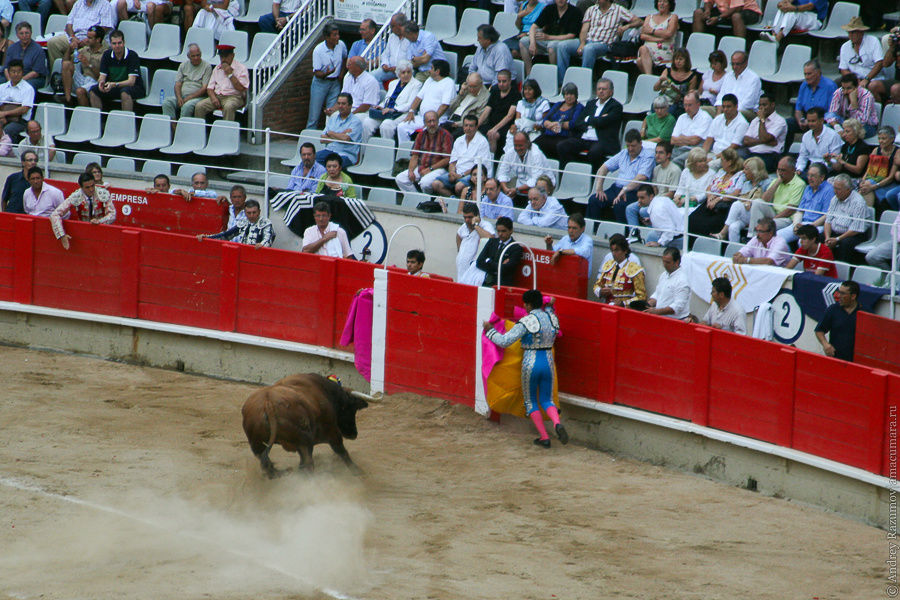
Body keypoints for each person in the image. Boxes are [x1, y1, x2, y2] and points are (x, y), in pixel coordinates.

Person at [483, 290, 568, 449]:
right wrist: (549, 303)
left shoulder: (527, 321)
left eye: (525, 303)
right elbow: (551, 306)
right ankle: (557, 423)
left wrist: (490, 331)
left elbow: (504, 341)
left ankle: (544, 437)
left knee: (530, 401)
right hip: (548, 362)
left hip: (531, 362)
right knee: (547, 399)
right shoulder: (552, 318)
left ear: (528, 305)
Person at [556, 0, 640, 83]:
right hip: (588, 40)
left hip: (604, 44)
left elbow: (639, 21)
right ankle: (562, 82)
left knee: (589, 49)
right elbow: (584, 29)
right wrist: (582, 43)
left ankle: (582, 83)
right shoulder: (591, 9)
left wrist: (627, 26)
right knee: (563, 45)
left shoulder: (619, 10)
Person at [588, 128, 655, 224]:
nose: (630, 149)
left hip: (634, 191)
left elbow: (641, 177)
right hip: (616, 188)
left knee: (620, 205)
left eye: (633, 146)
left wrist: (625, 189)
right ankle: (593, 230)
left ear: (640, 143)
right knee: (595, 199)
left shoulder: (648, 156)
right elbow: (603, 168)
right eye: (628, 146)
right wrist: (599, 188)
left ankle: (623, 235)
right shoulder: (624, 153)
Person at [557, 77, 623, 169]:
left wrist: (588, 119)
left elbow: (603, 122)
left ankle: (593, 180)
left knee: (594, 153)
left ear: (611, 92)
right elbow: (578, 123)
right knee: (562, 146)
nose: (601, 91)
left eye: (604, 89)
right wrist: (596, 120)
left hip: (601, 140)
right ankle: (570, 172)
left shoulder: (616, 106)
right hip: (584, 138)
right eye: (599, 89)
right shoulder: (591, 104)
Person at [687, 147, 746, 238]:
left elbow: (736, 193)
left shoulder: (740, 175)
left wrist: (719, 198)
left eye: (722, 160)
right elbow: (709, 187)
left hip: (725, 205)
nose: (720, 162)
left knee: (708, 224)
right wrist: (710, 196)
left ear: (729, 162)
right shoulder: (720, 172)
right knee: (692, 219)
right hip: (711, 201)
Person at [49, 171, 116, 250]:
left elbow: (112, 214)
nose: (91, 189)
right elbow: (55, 215)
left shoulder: (103, 193)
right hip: (83, 234)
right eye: (87, 187)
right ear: (81, 187)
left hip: (102, 232)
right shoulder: (76, 196)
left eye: (92, 186)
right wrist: (61, 235)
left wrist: (100, 221)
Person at [394, 59, 455, 142]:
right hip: (422, 117)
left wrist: (433, 120)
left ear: (437, 71)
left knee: (426, 132)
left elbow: (445, 105)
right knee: (402, 126)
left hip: (438, 120)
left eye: (431, 68)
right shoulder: (429, 80)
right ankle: (406, 152)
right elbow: (418, 97)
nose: (429, 70)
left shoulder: (449, 83)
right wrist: (411, 111)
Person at [432, 115, 491, 199]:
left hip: (473, 174)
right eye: (466, 125)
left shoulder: (482, 141)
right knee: (436, 184)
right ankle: (453, 200)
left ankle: (461, 204)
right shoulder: (459, 140)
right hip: (457, 173)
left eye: (471, 126)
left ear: (476, 127)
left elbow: (477, 167)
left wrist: (461, 175)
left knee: (459, 186)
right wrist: (452, 173)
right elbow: (452, 162)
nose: (468, 128)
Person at [519, 0, 582, 79]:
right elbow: (533, 27)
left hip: (563, 41)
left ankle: (554, 78)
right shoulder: (549, 9)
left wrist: (548, 37)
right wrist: (532, 43)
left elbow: (571, 35)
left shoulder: (575, 11)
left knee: (552, 46)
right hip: (546, 40)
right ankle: (529, 75)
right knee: (523, 41)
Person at [395, 110, 453, 194]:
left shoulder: (445, 135)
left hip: (439, 169)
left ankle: (427, 201)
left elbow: (447, 159)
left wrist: (430, 169)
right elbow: (415, 156)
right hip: (422, 167)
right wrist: (410, 171)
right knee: (401, 178)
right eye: (429, 121)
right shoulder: (421, 135)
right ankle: (417, 200)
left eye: (434, 121)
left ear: (438, 121)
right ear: (425, 123)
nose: (432, 124)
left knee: (425, 183)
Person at [715, 156, 770, 242]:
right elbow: (742, 200)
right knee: (733, 227)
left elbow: (766, 202)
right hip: (746, 214)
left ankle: (722, 233)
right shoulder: (746, 184)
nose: (743, 171)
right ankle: (736, 253)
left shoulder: (767, 183)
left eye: (746, 169)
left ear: (754, 171)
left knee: (736, 204)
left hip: (759, 216)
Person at [87, 30, 144, 113]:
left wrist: (114, 84)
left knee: (125, 92)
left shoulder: (132, 55)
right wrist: (101, 84)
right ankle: (99, 120)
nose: (117, 46)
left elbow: (131, 82)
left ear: (124, 43)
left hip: (134, 88)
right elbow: (102, 77)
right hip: (114, 86)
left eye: (119, 43)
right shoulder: (106, 55)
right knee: (93, 91)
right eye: (114, 43)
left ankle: (126, 122)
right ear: (110, 44)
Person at [46, 0, 115, 67]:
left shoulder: (105, 4)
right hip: (75, 36)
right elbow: (69, 25)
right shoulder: (78, 3)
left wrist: (88, 39)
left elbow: (104, 28)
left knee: (80, 52)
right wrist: (73, 37)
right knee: (53, 43)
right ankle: (59, 73)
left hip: (94, 38)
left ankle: (74, 74)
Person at [776, 162, 832, 243]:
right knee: (778, 237)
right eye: (808, 175)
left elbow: (827, 216)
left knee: (802, 242)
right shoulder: (807, 188)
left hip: (817, 225)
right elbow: (800, 211)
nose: (809, 178)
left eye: (813, 176)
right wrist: (796, 225)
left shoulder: (829, 190)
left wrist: (810, 227)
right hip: (802, 223)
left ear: (822, 177)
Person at [787, 59, 838, 146]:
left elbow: (832, 113)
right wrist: (800, 121)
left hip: (823, 121)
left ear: (818, 72)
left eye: (809, 74)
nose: (807, 77)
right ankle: (785, 153)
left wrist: (813, 121)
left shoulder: (830, 86)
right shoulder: (804, 85)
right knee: (787, 124)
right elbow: (798, 109)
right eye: (805, 74)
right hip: (807, 119)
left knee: (828, 128)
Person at [496, 131, 555, 203]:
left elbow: (535, 180)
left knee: (537, 189)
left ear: (528, 143)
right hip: (521, 184)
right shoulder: (510, 152)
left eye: (520, 145)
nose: (517, 148)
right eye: (515, 145)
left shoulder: (536, 154)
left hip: (543, 184)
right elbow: (502, 173)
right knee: (496, 187)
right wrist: (505, 189)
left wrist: (517, 190)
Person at [369, 61, 422, 141]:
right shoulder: (393, 83)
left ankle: (388, 151)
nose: (406, 75)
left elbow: (410, 104)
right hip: (386, 112)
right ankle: (364, 151)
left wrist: (394, 109)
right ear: (398, 74)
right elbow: (387, 100)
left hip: (403, 113)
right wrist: (380, 106)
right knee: (367, 122)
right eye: (403, 72)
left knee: (386, 125)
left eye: (409, 72)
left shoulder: (416, 84)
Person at [749, 155, 803, 232]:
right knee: (757, 202)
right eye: (779, 170)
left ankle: (759, 235)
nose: (780, 173)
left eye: (783, 170)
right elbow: (764, 200)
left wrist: (771, 220)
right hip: (773, 213)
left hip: (786, 219)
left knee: (766, 224)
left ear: (793, 170)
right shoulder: (777, 181)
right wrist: (778, 182)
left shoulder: (799, 184)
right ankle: (753, 236)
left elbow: (790, 210)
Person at [194, 44, 248, 122]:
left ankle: (226, 132)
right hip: (218, 96)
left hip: (234, 97)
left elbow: (241, 88)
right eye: (221, 57)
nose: (223, 59)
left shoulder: (241, 68)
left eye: (226, 56)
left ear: (232, 56)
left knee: (229, 107)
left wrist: (230, 74)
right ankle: (199, 131)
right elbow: (210, 88)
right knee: (199, 106)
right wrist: (213, 98)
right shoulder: (217, 68)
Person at [838, 17, 886, 103]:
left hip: (873, 78)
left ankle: (877, 110)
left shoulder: (873, 41)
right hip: (854, 78)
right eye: (849, 33)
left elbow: (879, 63)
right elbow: (843, 69)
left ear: (861, 32)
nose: (850, 35)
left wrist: (867, 79)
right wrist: (854, 79)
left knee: (872, 86)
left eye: (853, 32)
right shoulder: (845, 46)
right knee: (838, 83)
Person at [307, 24, 346, 129]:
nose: (338, 37)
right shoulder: (318, 50)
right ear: (327, 37)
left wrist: (341, 74)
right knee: (314, 115)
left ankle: (329, 137)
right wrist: (327, 73)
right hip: (320, 83)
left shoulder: (341, 45)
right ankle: (309, 140)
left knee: (332, 113)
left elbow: (344, 58)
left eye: (338, 34)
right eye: (334, 35)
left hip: (335, 83)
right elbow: (317, 73)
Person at [823, 174, 868, 263]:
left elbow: (855, 229)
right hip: (834, 233)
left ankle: (842, 270)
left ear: (848, 189)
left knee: (845, 244)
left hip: (854, 235)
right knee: (817, 237)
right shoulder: (834, 199)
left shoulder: (858, 202)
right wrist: (827, 238)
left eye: (838, 189)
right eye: (834, 188)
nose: (835, 191)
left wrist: (837, 239)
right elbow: (828, 220)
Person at [162, 44, 212, 120]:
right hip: (182, 96)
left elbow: (204, 88)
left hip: (198, 97)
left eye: (198, 55)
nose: (196, 58)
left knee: (187, 106)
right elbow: (177, 84)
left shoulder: (207, 66)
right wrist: (179, 98)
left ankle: (183, 129)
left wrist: (189, 97)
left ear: (201, 54)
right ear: (188, 56)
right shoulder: (183, 65)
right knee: (167, 102)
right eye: (193, 56)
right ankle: (174, 129)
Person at [60, 24, 106, 107]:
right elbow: (65, 62)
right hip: (83, 78)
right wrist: (69, 49)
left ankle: (85, 114)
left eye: (90, 38)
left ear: (98, 40)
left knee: (80, 91)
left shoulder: (105, 54)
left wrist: (88, 64)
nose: (86, 40)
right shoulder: (85, 49)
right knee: (66, 64)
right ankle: (68, 100)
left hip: (95, 81)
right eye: (87, 37)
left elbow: (102, 77)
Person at [815, 280, 861, 361]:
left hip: (857, 361)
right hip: (836, 358)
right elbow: (819, 330)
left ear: (853, 296)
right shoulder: (833, 309)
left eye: (843, 293)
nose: (838, 296)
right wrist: (825, 344)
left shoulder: (865, 313)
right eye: (839, 292)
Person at [198, 199, 274, 248]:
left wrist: (262, 245)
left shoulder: (265, 223)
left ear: (259, 212)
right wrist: (207, 237)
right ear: (245, 212)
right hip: (243, 254)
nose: (251, 215)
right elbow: (226, 235)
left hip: (259, 256)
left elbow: (268, 239)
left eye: (254, 212)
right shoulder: (244, 222)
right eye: (249, 213)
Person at [534, 83, 583, 159]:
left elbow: (572, 124)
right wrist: (551, 125)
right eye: (566, 94)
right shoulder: (558, 104)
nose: (569, 96)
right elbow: (545, 120)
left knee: (558, 146)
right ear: (563, 95)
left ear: (576, 95)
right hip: (549, 133)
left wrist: (558, 124)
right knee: (534, 145)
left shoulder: (579, 107)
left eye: (571, 94)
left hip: (564, 136)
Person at [741, 93, 787, 173]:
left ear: (772, 105)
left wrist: (762, 120)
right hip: (752, 154)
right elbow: (746, 141)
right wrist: (765, 141)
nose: (762, 108)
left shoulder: (780, 121)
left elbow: (764, 137)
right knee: (736, 164)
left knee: (752, 169)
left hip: (769, 156)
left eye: (764, 105)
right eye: (760, 105)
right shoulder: (755, 120)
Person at [594, 234, 646, 305]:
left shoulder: (635, 269)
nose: (613, 253)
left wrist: (623, 304)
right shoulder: (608, 265)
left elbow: (641, 296)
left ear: (625, 251)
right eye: (612, 250)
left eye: (617, 250)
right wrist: (600, 291)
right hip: (607, 306)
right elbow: (597, 285)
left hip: (625, 311)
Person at [329, 56, 380, 127]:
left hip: (364, 112)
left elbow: (367, 105)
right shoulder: (347, 77)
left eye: (350, 64)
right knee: (332, 115)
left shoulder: (371, 81)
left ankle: (346, 137)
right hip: (347, 108)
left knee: (353, 119)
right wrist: (333, 109)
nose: (347, 66)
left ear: (358, 67)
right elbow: (342, 97)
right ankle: (331, 136)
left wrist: (350, 114)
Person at [702, 93, 749, 169]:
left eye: (728, 107)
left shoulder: (742, 123)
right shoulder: (718, 119)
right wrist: (702, 156)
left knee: (710, 165)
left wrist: (713, 158)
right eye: (723, 107)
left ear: (736, 106)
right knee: (691, 161)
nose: (725, 110)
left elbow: (733, 147)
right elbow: (708, 140)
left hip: (728, 157)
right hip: (713, 153)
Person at [480, 69, 521, 154]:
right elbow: (487, 111)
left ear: (510, 81)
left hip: (505, 126)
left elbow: (509, 116)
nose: (501, 84)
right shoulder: (495, 91)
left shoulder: (516, 94)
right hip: (491, 123)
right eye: (499, 81)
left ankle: (491, 162)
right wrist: (477, 125)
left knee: (492, 135)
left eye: (504, 81)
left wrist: (494, 129)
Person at [859, 126, 900, 211]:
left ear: (892, 139)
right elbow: (869, 170)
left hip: (889, 183)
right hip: (874, 180)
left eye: (884, 138)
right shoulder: (876, 150)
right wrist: (862, 181)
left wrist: (874, 186)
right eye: (879, 138)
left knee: (868, 186)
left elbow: (891, 178)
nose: (881, 141)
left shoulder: (897, 152)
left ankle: (867, 216)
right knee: (866, 185)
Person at [316, 93, 363, 167]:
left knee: (333, 164)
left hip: (345, 155)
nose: (340, 106)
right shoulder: (333, 118)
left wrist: (331, 133)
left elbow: (346, 138)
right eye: (338, 103)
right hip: (329, 151)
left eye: (343, 104)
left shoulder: (356, 122)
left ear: (350, 105)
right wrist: (341, 134)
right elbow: (322, 139)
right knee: (312, 159)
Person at [825, 74, 878, 139]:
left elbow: (861, 121)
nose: (845, 92)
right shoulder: (838, 92)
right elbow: (831, 114)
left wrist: (853, 104)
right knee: (826, 129)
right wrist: (837, 128)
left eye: (849, 88)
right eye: (843, 88)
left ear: (857, 87)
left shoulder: (867, 96)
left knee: (850, 134)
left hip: (866, 126)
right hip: (844, 123)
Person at [474, 216, 522, 287]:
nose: (500, 234)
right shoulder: (492, 242)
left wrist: (489, 262)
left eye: (503, 231)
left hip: (502, 285)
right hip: (486, 282)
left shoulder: (516, 248)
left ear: (511, 231)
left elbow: (505, 269)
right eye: (498, 231)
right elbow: (479, 262)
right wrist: (498, 266)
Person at [440, 72, 489, 140]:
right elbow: (451, 107)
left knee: (451, 137)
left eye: (474, 86)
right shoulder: (466, 89)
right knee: (438, 132)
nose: (471, 89)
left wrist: (459, 124)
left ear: (481, 84)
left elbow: (478, 119)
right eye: (470, 86)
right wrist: (461, 93)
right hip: (453, 119)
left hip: (465, 123)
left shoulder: (485, 97)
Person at [654, 48, 701, 117]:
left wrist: (680, 95)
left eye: (681, 59)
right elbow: (655, 89)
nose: (678, 61)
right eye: (676, 59)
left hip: (679, 102)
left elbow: (690, 95)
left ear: (686, 61)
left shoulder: (692, 76)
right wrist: (660, 81)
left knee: (671, 110)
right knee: (655, 106)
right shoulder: (667, 71)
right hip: (664, 100)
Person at [505, 78, 550, 150]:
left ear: (535, 90)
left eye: (530, 89)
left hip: (535, 131)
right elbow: (517, 121)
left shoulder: (544, 103)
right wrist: (513, 126)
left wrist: (539, 127)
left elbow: (546, 123)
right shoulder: (520, 103)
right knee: (511, 134)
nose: (527, 92)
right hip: (521, 130)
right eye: (525, 89)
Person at [1, 23, 48, 91]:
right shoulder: (12, 48)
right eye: (21, 33)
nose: (24, 36)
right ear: (17, 35)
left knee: (26, 87)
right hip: (12, 77)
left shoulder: (38, 50)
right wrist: (10, 81)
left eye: (27, 33)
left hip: (30, 78)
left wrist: (19, 81)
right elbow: (6, 68)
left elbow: (36, 73)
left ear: (31, 33)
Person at [634, 183, 684, 247]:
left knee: (650, 238)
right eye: (638, 198)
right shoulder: (661, 199)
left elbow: (669, 230)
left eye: (642, 198)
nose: (639, 200)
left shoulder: (657, 210)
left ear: (651, 196)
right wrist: (652, 222)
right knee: (651, 235)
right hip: (680, 232)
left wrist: (660, 243)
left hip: (675, 240)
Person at [456, 202, 496, 281]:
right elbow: (458, 235)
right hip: (461, 269)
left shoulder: (486, 225)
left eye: (470, 217)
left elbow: (491, 239)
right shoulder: (464, 226)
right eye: (465, 217)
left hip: (475, 271)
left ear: (477, 215)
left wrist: (475, 226)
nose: (467, 220)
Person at [637, 0, 678, 75]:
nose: (661, 3)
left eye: (665, 1)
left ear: (670, 4)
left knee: (640, 60)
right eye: (659, 1)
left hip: (664, 51)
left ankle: (649, 78)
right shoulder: (649, 17)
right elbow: (642, 35)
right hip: (647, 52)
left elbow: (668, 33)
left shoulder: (673, 17)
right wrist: (659, 39)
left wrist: (651, 31)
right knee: (643, 49)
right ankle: (650, 77)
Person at [645, 247, 690, 318]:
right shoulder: (664, 275)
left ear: (677, 262)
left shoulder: (682, 280)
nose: (664, 265)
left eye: (668, 262)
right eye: (663, 261)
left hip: (676, 321)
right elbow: (657, 294)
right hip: (662, 318)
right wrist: (649, 304)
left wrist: (657, 311)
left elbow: (678, 306)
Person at [670, 91, 712, 165]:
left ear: (698, 104)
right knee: (662, 160)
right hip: (678, 149)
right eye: (685, 105)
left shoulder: (705, 118)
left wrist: (681, 137)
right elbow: (673, 140)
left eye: (690, 105)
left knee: (674, 163)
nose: (687, 108)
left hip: (694, 151)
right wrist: (689, 139)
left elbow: (696, 141)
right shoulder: (682, 117)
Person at [796, 107, 842, 176]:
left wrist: (828, 162)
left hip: (827, 172)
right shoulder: (806, 136)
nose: (810, 124)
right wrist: (799, 169)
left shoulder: (833, 136)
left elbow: (835, 160)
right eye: (809, 121)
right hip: (810, 170)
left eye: (813, 121)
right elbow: (803, 156)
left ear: (822, 120)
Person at [760, 0, 827, 44]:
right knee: (782, 10)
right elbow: (785, 2)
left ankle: (777, 39)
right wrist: (782, 5)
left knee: (792, 13)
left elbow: (809, 6)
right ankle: (774, 35)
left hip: (815, 19)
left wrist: (794, 8)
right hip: (800, 15)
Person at [825, 118, 869, 184]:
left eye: (847, 132)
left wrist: (843, 162)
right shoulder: (845, 146)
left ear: (856, 132)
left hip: (854, 179)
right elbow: (839, 168)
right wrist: (829, 161)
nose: (844, 135)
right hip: (842, 177)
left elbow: (858, 170)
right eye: (844, 131)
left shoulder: (863, 147)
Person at [0, 60, 35, 141]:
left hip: (20, 121)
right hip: (2, 117)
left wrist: (5, 113)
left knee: (8, 130)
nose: (16, 74)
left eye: (19, 72)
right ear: (8, 72)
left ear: (23, 72)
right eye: (13, 71)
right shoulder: (2, 87)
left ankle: (8, 152)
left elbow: (25, 109)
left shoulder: (28, 89)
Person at [371, 13, 409, 84]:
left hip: (405, 71)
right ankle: (383, 95)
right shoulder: (392, 37)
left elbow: (411, 59)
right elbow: (385, 54)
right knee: (372, 77)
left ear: (400, 26)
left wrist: (398, 68)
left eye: (392, 26)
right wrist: (385, 64)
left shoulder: (410, 38)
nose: (391, 28)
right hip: (390, 70)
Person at [692, 0, 761, 38]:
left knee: (736, 17)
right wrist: (707, 10)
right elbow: (709, 1)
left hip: (748, 11)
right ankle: (698, 43)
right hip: (726, 10)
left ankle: (739, 48)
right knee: (698, 13)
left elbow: (737, 8)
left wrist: (719, 18)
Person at [864, 211, 900, 278]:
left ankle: (895, 281)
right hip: (897, 242)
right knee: (872, 257)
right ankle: (889, 278)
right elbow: (895, 227)